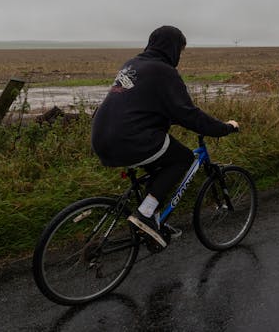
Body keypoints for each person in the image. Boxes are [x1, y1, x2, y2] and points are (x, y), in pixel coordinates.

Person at [91, 25, 239, 248]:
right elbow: (187, 114)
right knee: (183, 158)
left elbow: (144, 105)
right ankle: (146, 214)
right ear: (173, 48)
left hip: (102, 136)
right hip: (129, 140)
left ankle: (153, 222)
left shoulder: (132, 64)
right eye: (180, 49)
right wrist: (223, 128)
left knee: (160, 163)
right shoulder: (164, 72)